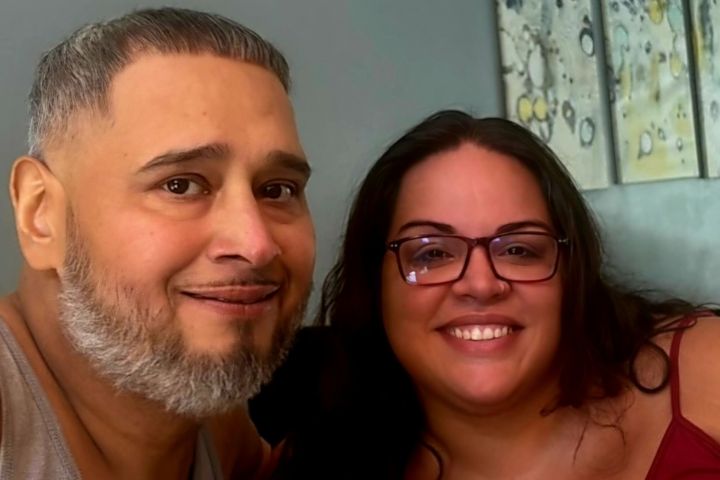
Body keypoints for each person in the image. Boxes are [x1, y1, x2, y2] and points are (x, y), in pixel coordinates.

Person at [267, 110, 720, 479]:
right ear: (375, 282)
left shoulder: (702, 366)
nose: (481, 285)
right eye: (432, 253)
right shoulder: (320, 462)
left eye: (519, 250)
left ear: (571, 272)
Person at [0, 7, 315, 479]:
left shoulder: (216, 424)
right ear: (40, 215)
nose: (256, 244)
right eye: (181, 185)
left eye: (277, 189)